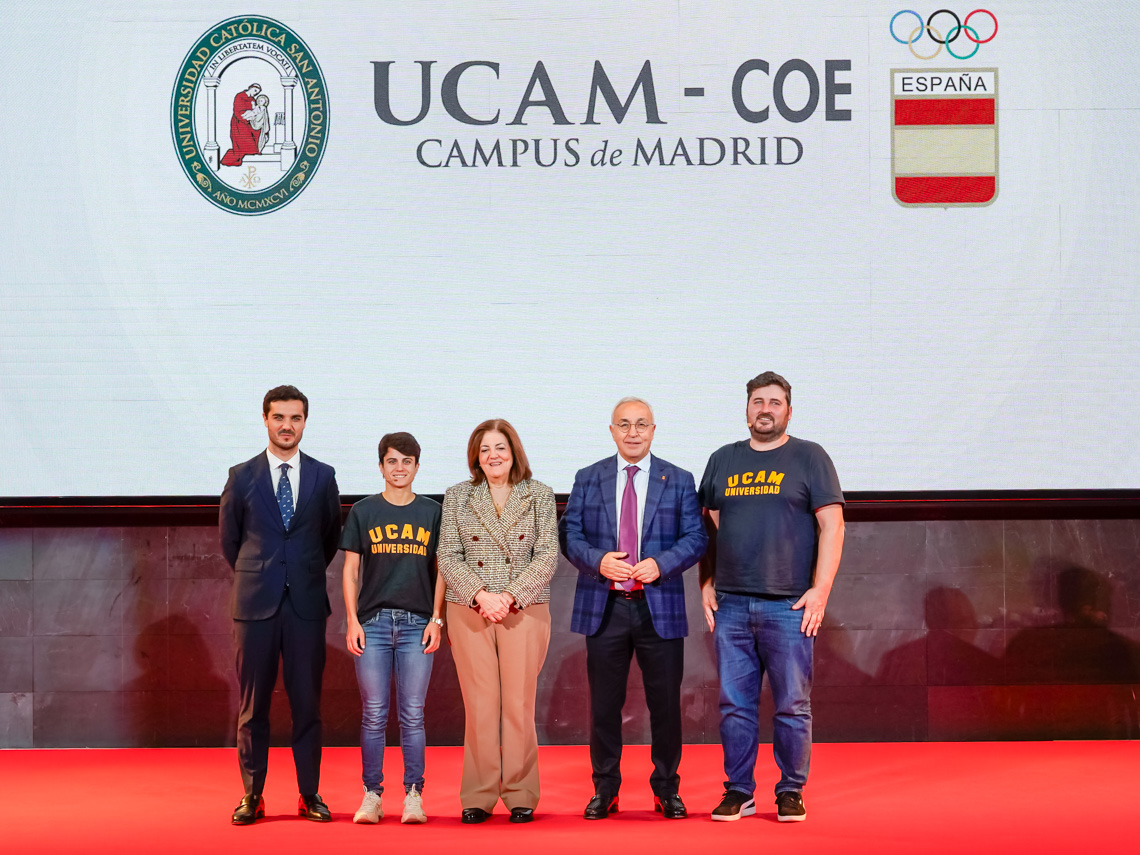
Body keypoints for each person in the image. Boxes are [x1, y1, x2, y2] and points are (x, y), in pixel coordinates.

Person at [699, 371, 844, 823]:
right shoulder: (723, 459)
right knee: (734, 705)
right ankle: (739, 790)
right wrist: (706, 582)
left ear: (788, 411)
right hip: (733, 605)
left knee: (792, 704)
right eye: (758, 401)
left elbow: (832, 525)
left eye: (775, 402)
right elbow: (708, 524)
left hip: (789, 607)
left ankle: (790, 790)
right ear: (746, 410)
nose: (765, 409)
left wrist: (820, 590)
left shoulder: (810, 457)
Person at [562, 397, 707, 820]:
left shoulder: (678, 479)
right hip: (604, 606)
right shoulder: (589, 478)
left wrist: (662, 564)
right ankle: (605, 789)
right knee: (604, 706)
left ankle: (666, 789)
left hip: (657, 607)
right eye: (624, 424)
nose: (632, 432)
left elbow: (696, 538)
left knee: (665, 705)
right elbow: (569, 535)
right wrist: (598, 561)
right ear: (611, 430)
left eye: (641, 424)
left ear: (654, 430)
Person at [219, 385, 342, 825]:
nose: (287, 426)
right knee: (253, 707)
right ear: (266, 420)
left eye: (295, 418)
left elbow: (329, 538)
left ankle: (309, 794)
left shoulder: (323, 476)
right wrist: (264, 573)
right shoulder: (241, 476)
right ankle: (252, 795)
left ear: (305, 422)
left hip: (306, 606)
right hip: (254, 606)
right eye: (279, 418)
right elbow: (230, 542)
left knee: (307, 703)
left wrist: (298, 573)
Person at [437, 419, 559, 824]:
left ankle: (521, 793)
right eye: (485, 448)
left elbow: (546, 555)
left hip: (523, 609)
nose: (493, 455)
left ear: (514, 452)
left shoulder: (539, 494)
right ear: (476, 456)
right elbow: (448, 555)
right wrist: (481, 596)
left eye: (500, 448)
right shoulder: (457, 496)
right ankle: (479, 794)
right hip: (470, 608)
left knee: (519, 705)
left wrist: (508, 597)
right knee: (480, 705)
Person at [341, 432, 445, 825]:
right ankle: (372, 795)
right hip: (374, 624)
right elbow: (351, 571)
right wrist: (352, 621)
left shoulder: (433, 512)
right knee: (373, 713)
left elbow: (442, 572)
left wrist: (437, 619)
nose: (399, 468)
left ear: (418, 466)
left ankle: (413, 795)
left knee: (413, 714)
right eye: (392, 461)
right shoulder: (363, 512)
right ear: (380, 466)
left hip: (418, 623)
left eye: (407, 461)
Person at [220, 83, 263, 166]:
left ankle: (254, 150)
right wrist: (246, 117)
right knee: (241, 142)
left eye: (257, 92)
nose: (255, 93)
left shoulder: (252, 100)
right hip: (239, 122)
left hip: (249, 122)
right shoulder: (240, 96)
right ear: (250, 88)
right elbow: (237, 110)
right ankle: (229, 159)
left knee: (257, 132)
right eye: (255, 91)